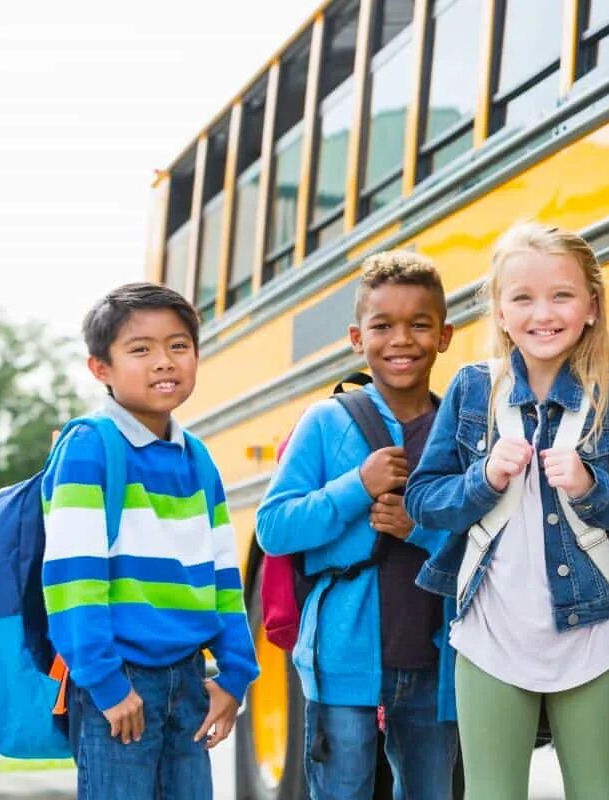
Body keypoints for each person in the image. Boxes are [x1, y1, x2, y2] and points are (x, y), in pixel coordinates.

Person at [406, 223, 609, 800]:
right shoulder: (473, 392)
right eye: (522, 297)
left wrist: (594, 487)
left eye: (561, 296)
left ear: (592, 306)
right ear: (498, 310)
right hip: (491, 636)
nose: (542, 313)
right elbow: (423, 502)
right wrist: (484, 478)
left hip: (591, 635)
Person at [41, 282, 259, 799]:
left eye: (178, 346)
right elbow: (74, 577)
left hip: (187, 680)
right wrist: (108, 684)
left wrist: (235, 674)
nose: (164, 361)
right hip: (118, 683)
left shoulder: (197, 457)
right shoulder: (90, 446)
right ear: (101, 369)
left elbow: (223, 574)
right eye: (140, 349)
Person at [255, 252, 459, 800]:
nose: (402, 340)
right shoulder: (326, 422)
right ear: (355, 337)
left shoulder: (460, 427)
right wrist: (357, 487)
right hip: (342, 660)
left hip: (438, 664)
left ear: (444, 336)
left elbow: (487, 543)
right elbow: (274, 527)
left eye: (420, 325)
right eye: (382, 326)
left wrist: (419, 528)